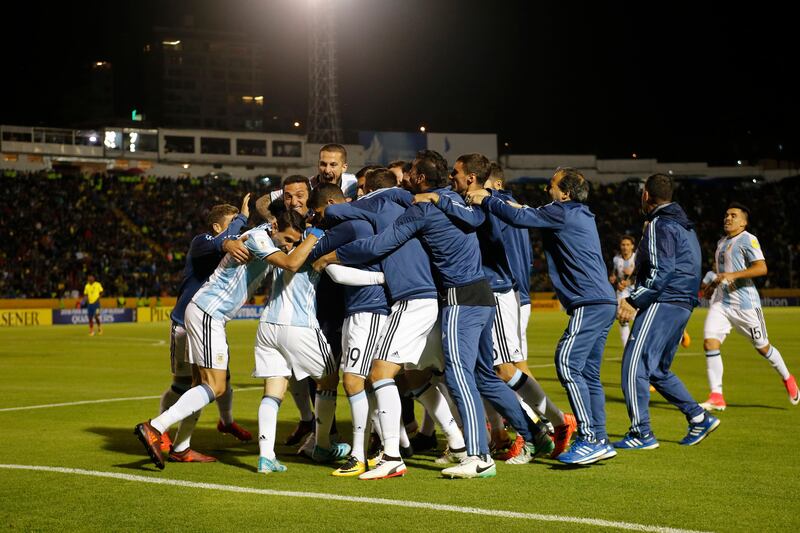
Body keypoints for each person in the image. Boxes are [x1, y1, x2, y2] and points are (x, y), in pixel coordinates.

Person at [315, 150, 553, 479]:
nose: (406, 179)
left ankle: (478, 455)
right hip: (483, 295)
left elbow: (379, 245)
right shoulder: (461, 202)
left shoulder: (424, 207)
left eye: (411, 174)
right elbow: (476, 219)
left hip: (460, 298)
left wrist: (334, 254)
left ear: (421, 179)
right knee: (484, 375)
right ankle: (533, 432)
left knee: (457, 376)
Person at [133, 209, 318, 470]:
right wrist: (316, 235)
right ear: (274, 226)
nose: (289, 246)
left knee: (199, 384)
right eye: (287, 239)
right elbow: (290, 263)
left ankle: (181, 447)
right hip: (210, 313)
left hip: (206, 313)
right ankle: (155, 427)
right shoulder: (259, 237)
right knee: (216, 386)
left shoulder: (265, 234)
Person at [423, 156, 575, 461]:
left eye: (458, 174)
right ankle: (519, 430)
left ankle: (552, 424)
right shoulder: (492, 202)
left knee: (506, 369)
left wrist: (484, 197)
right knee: (493, 371)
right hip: (492, 292)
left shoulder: (496, 201)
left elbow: (498, 212)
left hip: (500, 291)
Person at [467, 167, 616, 466]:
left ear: (565, 193)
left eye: (552, 186)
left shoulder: (562, 212)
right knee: (588, 374)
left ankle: (587, 437)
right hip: (602, 301)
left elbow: (522, 218)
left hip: (589, 301)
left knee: (567, 362)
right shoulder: (578, 212)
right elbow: (528, 212)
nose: (548, 189)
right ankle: (599, 438)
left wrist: (486, 200)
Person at [613, 173, 720, 451]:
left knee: (634, 366)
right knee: (658, 370)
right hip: (682, 301)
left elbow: (662, 270)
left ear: (646, 195)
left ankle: (641, 433)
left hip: (663, 299)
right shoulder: (685, 225)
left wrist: (634, 300)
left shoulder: (660, 223)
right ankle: (699, 417)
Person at [156, 197, 253, 460]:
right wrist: (242, 217)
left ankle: (225, 421)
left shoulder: (225, 250)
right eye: (232, 225)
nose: (238, 232)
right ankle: (160, 429)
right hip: (184, 326)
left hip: (208, 322)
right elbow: (228, 240)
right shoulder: (202, 242)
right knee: (184, 385)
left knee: (222, 377)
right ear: (216, 227)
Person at [699, 202, 799, 410]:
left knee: (763, 347)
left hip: (745, 305)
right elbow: (723, 271)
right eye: (726, 215)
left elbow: (761, 268)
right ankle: (717, 395)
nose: (728, 218)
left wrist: (733, 275)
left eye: (733, 216)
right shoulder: (721, 242)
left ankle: (788, 378)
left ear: (743, 222)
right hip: (722, 303)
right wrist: (712, 284)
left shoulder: (748, 239)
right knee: (710, 342)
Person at [609, 235, 637, 347]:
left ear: (632, 246)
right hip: (622, 293)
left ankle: (678, 334)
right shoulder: (616, 260)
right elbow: (612, 275)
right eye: (623, 245)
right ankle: (627, 351)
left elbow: (645, 275)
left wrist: (632, 275)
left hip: (637, 291)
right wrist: (615, 282)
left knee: (640, 318)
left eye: (628, 245)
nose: (625, 247)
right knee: (623, 318)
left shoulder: (637, 258)